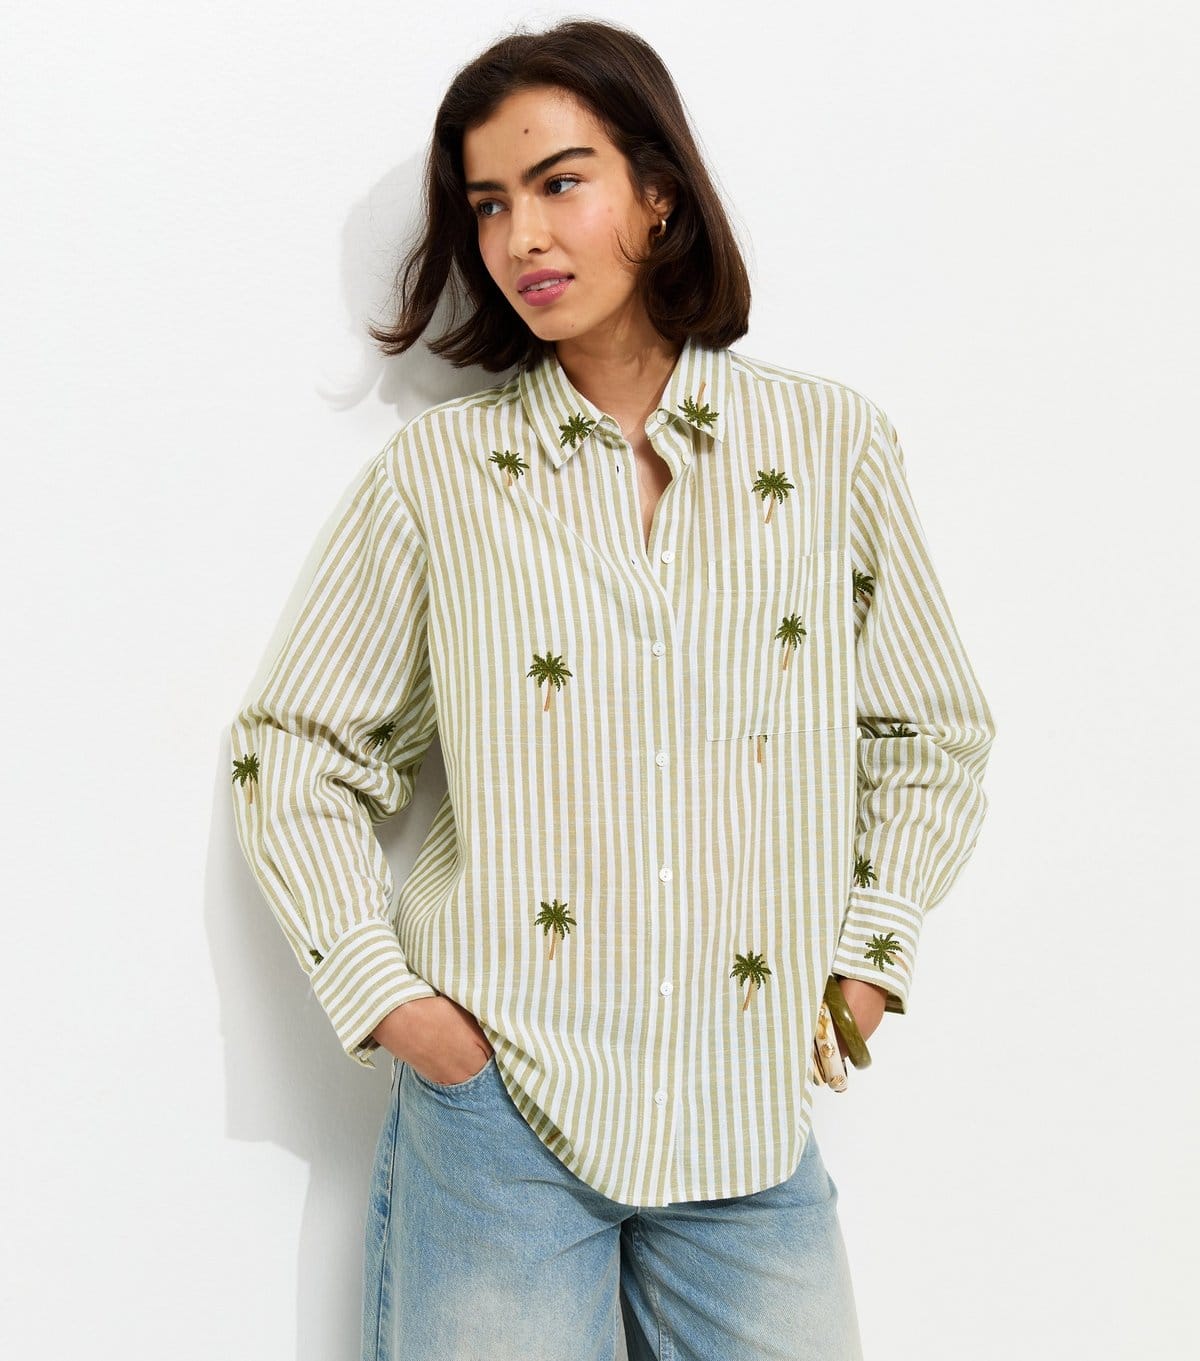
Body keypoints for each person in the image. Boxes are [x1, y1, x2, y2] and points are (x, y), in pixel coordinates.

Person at [228, 18, 995, 1361]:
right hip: (501, 1114)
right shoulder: (441, 480)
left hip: (746, 1112)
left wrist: (872, 952)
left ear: (658, 195)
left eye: (559, 182)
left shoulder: (830, 449)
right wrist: (395, 1004)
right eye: (488, 204)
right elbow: (294, 746)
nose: (521, 234)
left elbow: (932, 727)